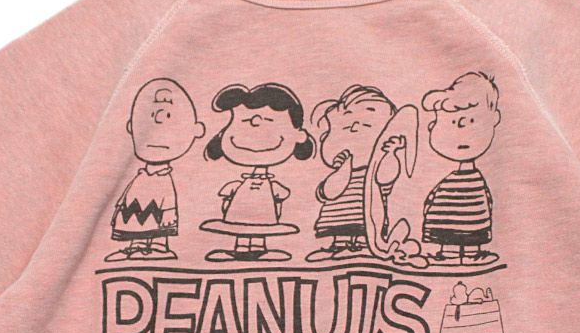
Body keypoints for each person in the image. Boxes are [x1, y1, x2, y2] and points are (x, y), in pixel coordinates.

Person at [200, 82, 316, 261]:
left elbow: (282, 193)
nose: (255, 124)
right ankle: (240, 249)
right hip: (237, 213)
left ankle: (258, 249)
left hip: (265, 215)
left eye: (269, 121)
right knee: (238, 227)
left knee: (260, 229)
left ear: (299, 136)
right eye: (244, 121)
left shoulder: (270, 184)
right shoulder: (243, 182)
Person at [105, 77, 205, 261]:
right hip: (136, 203)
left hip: (155, 204)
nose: (159, 120)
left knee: (156, 220)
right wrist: (120, 205)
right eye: (150, 116)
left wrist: (169, 216)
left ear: (196, 130)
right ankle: (136, 246)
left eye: (168, 116)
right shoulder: (141, 176)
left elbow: (168, 199)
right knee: (135, 220)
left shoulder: (164, 179)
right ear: (131, 127)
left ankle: (159, 247)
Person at [307, 85, 406, 261]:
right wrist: (344, 169)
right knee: (340, 235)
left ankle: (361, 247)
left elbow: (386, 177)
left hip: (365, 222)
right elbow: (328, 192)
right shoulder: (341, 163)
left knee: (362, 234)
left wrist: (390, 153)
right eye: (344, 127)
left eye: (367, 126)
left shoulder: (376, 169)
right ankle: (338, 247)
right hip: (336, 217)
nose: (354, 129)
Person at [421, 71, 501, 264]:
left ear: (494, 118)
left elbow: (486, 201)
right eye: (451, 122)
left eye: (471, 120)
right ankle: (449, 254)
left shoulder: (471, 180)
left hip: (473, 225)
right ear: (432, 126)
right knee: (448, 240)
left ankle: (471, 254)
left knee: (472, 238)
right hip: (447, 225)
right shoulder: (452, 181)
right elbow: (488, 201)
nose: (461, 130)